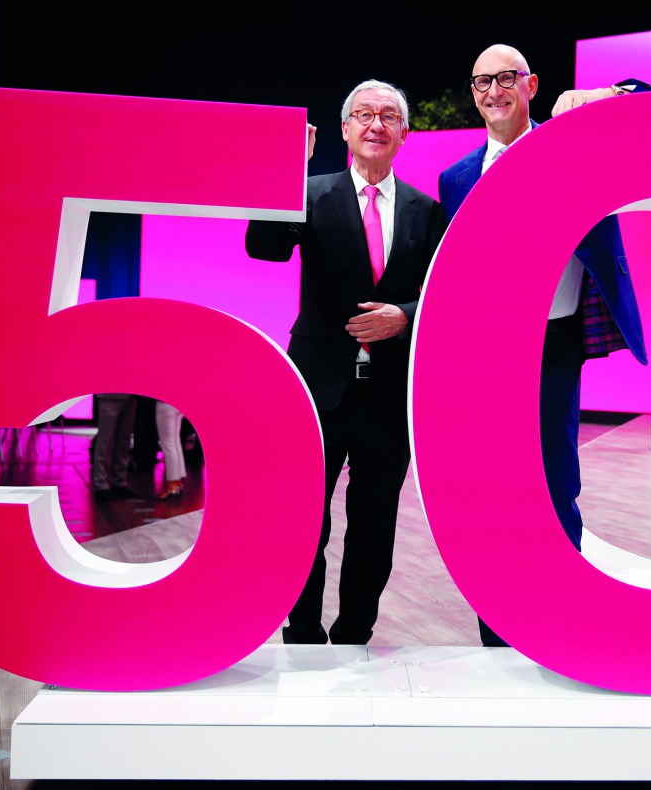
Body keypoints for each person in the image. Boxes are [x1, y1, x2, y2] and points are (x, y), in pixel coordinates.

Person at [438, 44, 651, 647]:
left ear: (530, 85)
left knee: (556, 480)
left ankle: (560, 618)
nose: (494, 91)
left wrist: (608, 96)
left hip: (554, 343)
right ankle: (497, 630)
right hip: (486, 351)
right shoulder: (456, 178)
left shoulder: (574, 144)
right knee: (490, 486)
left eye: (506, 78)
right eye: (482, 81)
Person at [245, 79, 447, 645]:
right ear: (344, 130)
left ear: (404, 133)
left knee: (375, 522)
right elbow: (264, 247)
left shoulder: (427, 211)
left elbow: (442, 291)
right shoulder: (309, 193)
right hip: (317, 385)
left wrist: (403, 315)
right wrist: (284, 171)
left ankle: (355, 631)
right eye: (363, 115)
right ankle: (303, 631)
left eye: (388, 116)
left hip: (389, 393)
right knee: (306, 518)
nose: (375, 124)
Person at [91, 392, 140, 501]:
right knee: (105, 441)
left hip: (131, 395)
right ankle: (101, 484)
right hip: (110, 393)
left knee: (124, 441)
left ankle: (119, 481)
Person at [155, 400, 186, 500]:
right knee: (175, 442)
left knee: (168, 444)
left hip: (164, 402)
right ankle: (178, 482)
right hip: (178, 402)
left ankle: (172, 484)